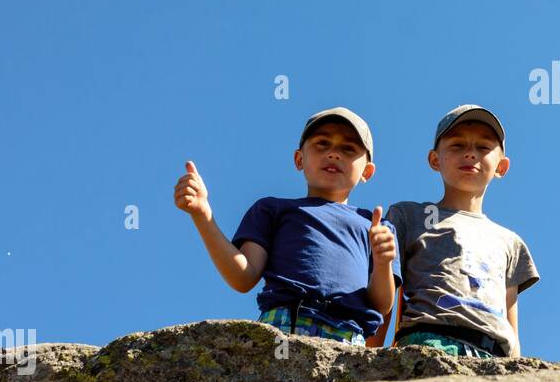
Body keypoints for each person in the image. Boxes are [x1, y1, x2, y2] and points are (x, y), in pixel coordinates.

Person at [174, 106, 399, 345]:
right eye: (322, 143)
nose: (334, 153)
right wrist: (203, 215)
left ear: (367, 171)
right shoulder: (272, 209)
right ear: (299, 159)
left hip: (348, 335)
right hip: (283, 325)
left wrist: (383, 262)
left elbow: (382, 304)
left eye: (348, 148)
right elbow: (243, 276)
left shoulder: (377, 227)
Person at [386, 105, 540, 359]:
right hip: (428, 343)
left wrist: (515, 369)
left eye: (483, 147)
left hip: (492, 354)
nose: (470, 154)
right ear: (435, 159)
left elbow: (511, 327)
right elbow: (387, 289)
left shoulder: (510, 241)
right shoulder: (408, 216)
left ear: (502, 166)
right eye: (457, 145)